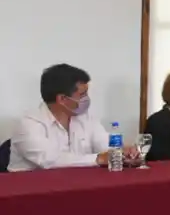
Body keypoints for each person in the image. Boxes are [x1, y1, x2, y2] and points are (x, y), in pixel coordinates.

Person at [9, 64, 139, 171]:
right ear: (62, 99)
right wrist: (98, 158)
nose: (87, 99)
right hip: (30, 188)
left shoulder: (85, 117)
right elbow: (49, 160)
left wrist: (123, 152)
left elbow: (104, 144)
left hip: (75, 184)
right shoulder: (28, 123)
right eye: (82, 94)